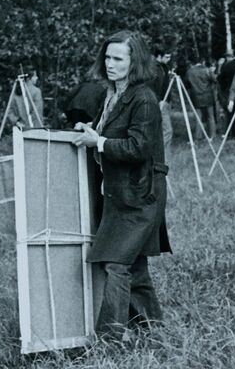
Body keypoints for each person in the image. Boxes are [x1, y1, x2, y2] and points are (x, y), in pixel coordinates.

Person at [71, 30, 171, 338]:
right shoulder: (112, 94)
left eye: (118, 58)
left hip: (140, 194)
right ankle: (154, 331)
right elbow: (113, 134)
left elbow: (138, 147)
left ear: (134, 61)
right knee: (134, 267)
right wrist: (92, 129)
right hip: (121, 192)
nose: (110, 63)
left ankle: (109, 342)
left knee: (116, 264)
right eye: (107, 57)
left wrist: (98, 141)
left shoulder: (143, 98)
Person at [186, 58, 217, 139]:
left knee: (198, 116)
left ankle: (198, 136)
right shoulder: (207, 70)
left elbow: (187, 84)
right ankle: (212, 135)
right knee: (211, 116)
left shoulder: (189, 72)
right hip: (207, 96)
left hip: (196, 96)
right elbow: (215, 80)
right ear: (202, 62)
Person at [218, 47, 235, 139]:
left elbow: (220, 78)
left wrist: (224, 88)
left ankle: (228, 133)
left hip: (227, 91)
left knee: (229, 112)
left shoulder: (226, 65)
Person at [152, 49, 173, 152]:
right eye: (167, 57)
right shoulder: (154, 68)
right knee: (168, 130)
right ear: (159, 56)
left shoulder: (163, 67)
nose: (169, 59)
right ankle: (162, 154)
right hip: (159, 102)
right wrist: (158, 101)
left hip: (165, 102)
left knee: (162, 130)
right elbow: (151, 87)